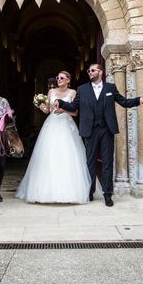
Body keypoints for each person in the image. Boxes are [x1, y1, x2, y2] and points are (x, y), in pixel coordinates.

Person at [55, 63, 143, 207]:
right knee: (90, 162)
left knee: (107, 162)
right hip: (89, 130)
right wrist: (60, 102)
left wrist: (137, 100)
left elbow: (123, 101)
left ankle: (107, 194)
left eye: (92, 70)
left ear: (100, 72)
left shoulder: (110, 88)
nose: (89, 72)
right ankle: (90, 191)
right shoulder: (82, 89)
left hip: (106, 129)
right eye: (88, 71)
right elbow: (73, 106)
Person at [16, 71, 91, 204]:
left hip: (67, 126)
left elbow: (75, 112)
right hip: (51, 125)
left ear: (68, 80)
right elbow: (48, 110)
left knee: (67, 155)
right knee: (49, 155)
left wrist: (64, 110)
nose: (59, 80)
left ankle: (69, 192)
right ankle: (45, 192)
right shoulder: (51, 92)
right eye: (57, 78)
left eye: (62, 78)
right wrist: (40, 105)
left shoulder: (73, 93)